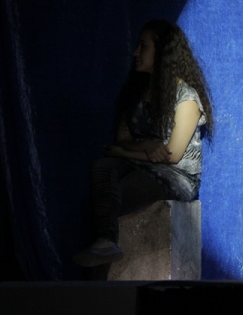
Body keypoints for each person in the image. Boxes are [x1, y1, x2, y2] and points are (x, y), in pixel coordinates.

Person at [73, 19, 213, 267]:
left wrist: (123, 152)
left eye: (143, 46)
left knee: (112, 197)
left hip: (175, 176)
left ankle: (103, 260)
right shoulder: (137, 92)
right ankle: (105, 243)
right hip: (142, 164)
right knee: (102, 167)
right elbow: (123, 139)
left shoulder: (186, 97)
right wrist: (146, 146)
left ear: (162, 52)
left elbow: (171, 155)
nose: (136, 53)